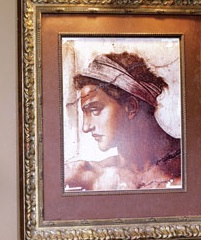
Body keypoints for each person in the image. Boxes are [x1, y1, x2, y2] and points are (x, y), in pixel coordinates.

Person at [65, 52, 181, 191]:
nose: (85, 127)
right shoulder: (90, 175)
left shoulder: (194, 161)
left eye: (95, 110)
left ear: (131, 107)